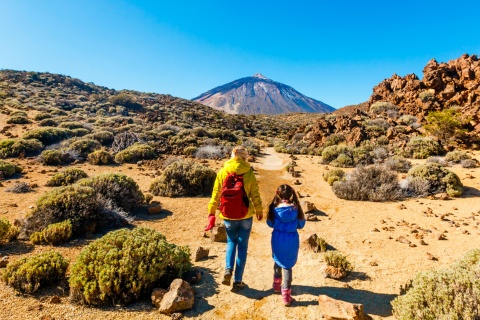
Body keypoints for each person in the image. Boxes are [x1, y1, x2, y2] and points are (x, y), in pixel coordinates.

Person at [205, 145, 263, 292]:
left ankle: (227, 270)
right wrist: (259, 210)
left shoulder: (223, 171)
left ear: (232, 155)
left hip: (228, 215)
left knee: (231, 242)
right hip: (245, 215)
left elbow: (216, 193)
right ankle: (238, 281)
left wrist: (211, 212)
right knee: (242, 247)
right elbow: (255, 194)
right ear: (245, 157)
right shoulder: (249, 173)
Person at [267, 184, 305, 306]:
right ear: (291, 195)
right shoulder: (296, 209)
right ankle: (286, 296)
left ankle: (277, 285)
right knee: (287, 265)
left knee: (277, 259)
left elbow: (269, 223)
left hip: (277, 239)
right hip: (291, 240)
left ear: (277, 194)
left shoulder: (274, 209)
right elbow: (301, 225)